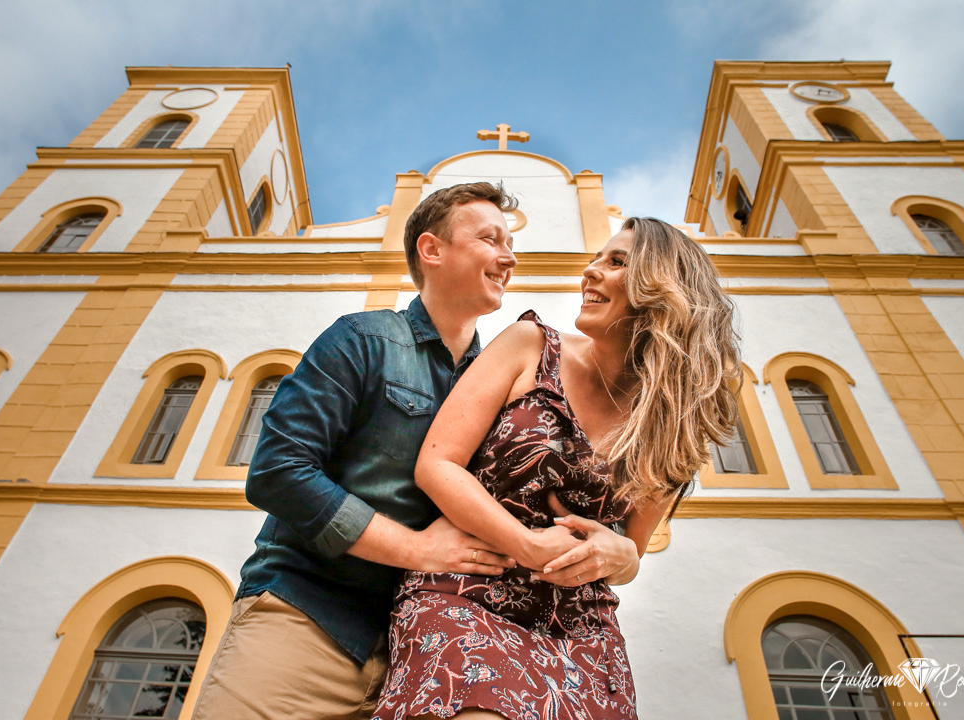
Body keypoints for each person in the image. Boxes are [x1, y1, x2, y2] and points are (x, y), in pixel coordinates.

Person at [192, 182, 575, 720]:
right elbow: (278, 470)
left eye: (510, 243)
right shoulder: (362, 339)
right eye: (490, 239)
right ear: (431, 249)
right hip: (307, 621)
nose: (509, 257)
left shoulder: (513, 389)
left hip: (427, 654)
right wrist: (415, 550)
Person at [371, 217, 742, 720]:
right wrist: (523, 543)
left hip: (581, 626)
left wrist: (623, 555)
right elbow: (437, 465)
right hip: (468, 592)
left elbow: (631, 552)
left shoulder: (670, 419)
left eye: (616, 262)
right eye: (597, 258)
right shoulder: (529, 344)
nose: (590, 272)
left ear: (662, 290)